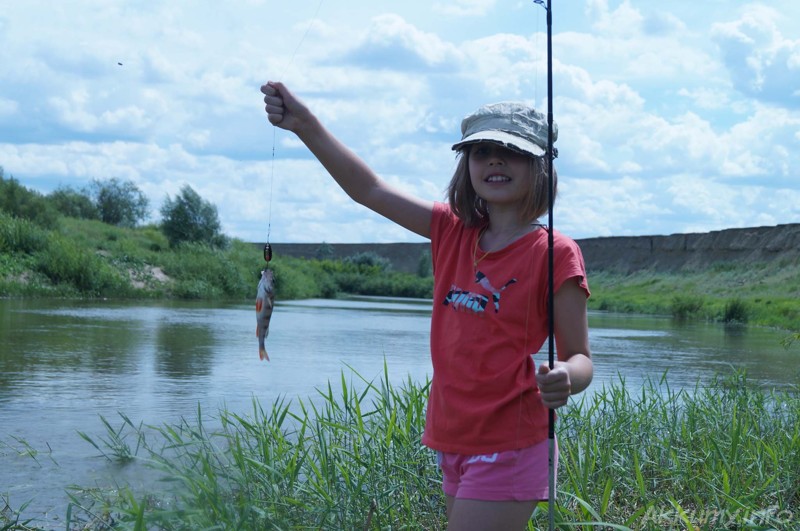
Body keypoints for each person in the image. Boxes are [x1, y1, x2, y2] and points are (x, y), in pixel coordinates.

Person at [261, 81, 593, 531]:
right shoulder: (451, 230)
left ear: (540, 167)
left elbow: (581, 357)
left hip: (512, 439)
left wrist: (566, 379)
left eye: (511, 152)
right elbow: (370, 190)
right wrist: (305, 126)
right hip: (452, 434)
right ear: (467, 166)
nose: (494, 160)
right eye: (481, 151)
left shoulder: (556, 253)